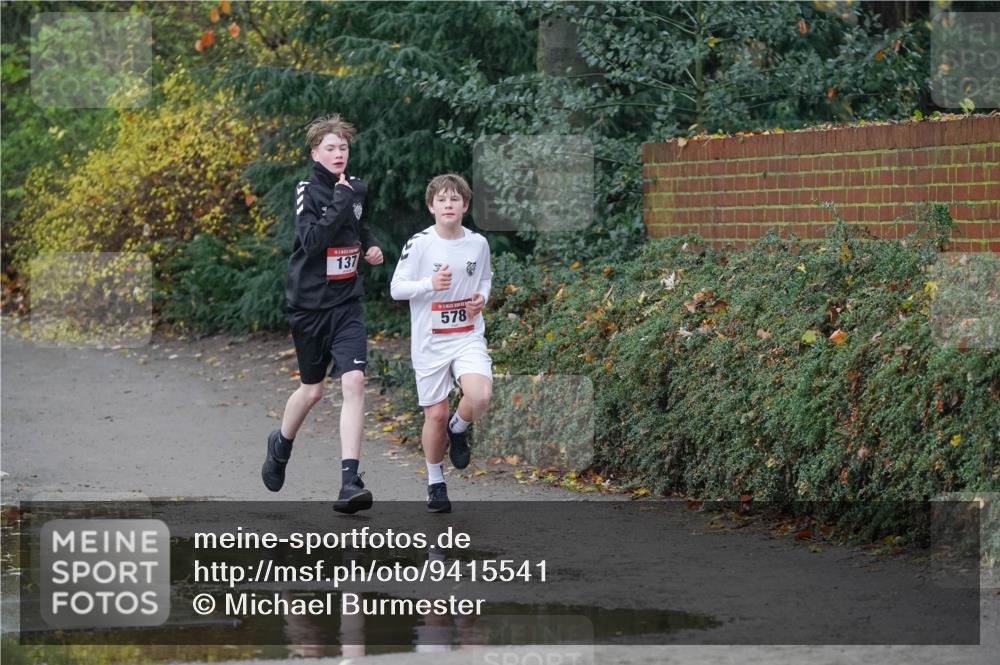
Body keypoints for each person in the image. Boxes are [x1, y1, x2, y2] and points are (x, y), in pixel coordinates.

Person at [261, 114, 384, 514]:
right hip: (309, 306)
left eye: (343, 148)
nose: (338, 154)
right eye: (330, 148)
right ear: (315, 153)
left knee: (354, 382)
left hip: (346, 304)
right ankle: (280, 444)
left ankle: (350, 481)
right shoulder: (307, 191)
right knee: (312, 390)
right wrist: (339, 201)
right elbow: (312, 241)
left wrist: (370, 248)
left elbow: (359, 228)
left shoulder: (358, 189)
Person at [390, 173, 493, 513]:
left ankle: (459, 428)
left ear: (465, 205)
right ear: (431, 206)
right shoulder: (419, 244)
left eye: (455, 199)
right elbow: (396, 288)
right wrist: (430, 284)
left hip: (466, 334)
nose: (448, 205)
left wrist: (481, 298)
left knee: (479, 395)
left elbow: (486, 279)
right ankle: (435, 481)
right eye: (441, 200)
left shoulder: (478, 244)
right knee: (434, 416)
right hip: (430, 340)